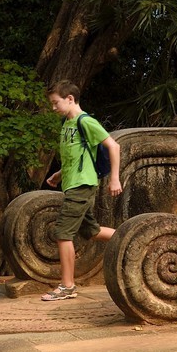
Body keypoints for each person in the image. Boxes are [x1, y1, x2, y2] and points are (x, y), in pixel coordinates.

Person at [41, 80, 122, 302]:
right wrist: (59, 175)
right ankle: (129, 237)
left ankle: (67, 286)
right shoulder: (67, 124)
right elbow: (75, 155)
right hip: (72, 183)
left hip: (82, 185)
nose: (53, 108)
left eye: (56, 103)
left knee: (62, 233)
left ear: (70, 99)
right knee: (90, 231)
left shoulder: (85, 121)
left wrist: (114, 179)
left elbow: (113, 146)